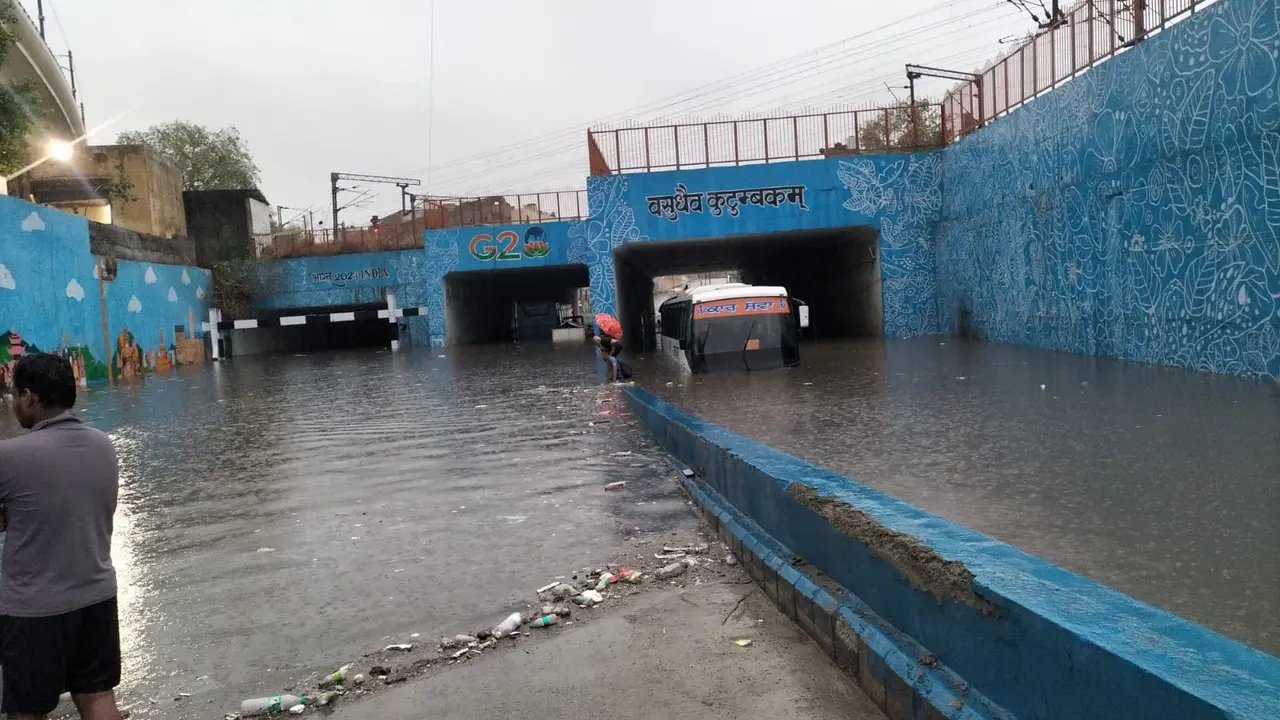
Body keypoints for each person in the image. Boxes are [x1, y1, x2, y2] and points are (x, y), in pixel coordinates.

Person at [0, 353, 122, 720]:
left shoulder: (10, 456)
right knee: (97, 697)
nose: (13, 403)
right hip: (97, 596)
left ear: (31, 397)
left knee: (26, 711)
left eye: (14, 395)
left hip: (35, 609)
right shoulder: (104, 445)